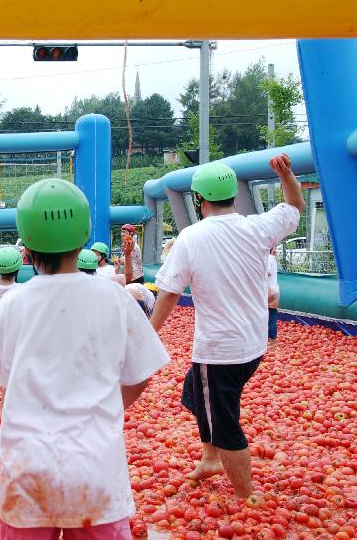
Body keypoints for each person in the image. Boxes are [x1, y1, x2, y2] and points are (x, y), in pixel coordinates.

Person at [0, 179, 169, 540]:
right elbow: (142, 374)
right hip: (96, 467)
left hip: (28, 469)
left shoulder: (11, 305)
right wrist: (111, 404)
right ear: (82, 239)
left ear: (26, 248)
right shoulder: (115, 298)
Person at [150, 155, 304, 499]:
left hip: (221, 352)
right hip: (253, 345)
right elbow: (295, 204)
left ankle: (247, 494)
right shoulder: (258, 227)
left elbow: (169, 293)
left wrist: (148, 334)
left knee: (224, 421)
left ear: (198, 200)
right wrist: (287, 175)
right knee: (194, 390)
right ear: (233, 194)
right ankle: (209, 459)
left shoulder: (191, 238)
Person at [267, 247, 280, 341]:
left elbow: (266, 273)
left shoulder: (268, 258)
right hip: (273, 290)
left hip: (269, 291)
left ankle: (271, 339)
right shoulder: (272, 258)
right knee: (271, 315)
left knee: (270, 316)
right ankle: (271, 339)